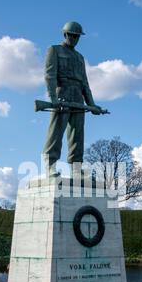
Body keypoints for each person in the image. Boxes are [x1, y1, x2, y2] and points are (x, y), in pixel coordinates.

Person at [43, 21, 101, 177]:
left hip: (78, 97)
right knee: (55, 134)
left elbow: (85, 83)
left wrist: (92, 104)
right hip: (62, 94)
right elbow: (50, 75)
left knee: (77, 137)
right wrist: (53, 97)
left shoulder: (80, 57)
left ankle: (76, 169)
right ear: (65, 34)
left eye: (77, 36)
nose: (74, 38)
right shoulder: (54, 50)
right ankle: (50, 166)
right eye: (72, 35)